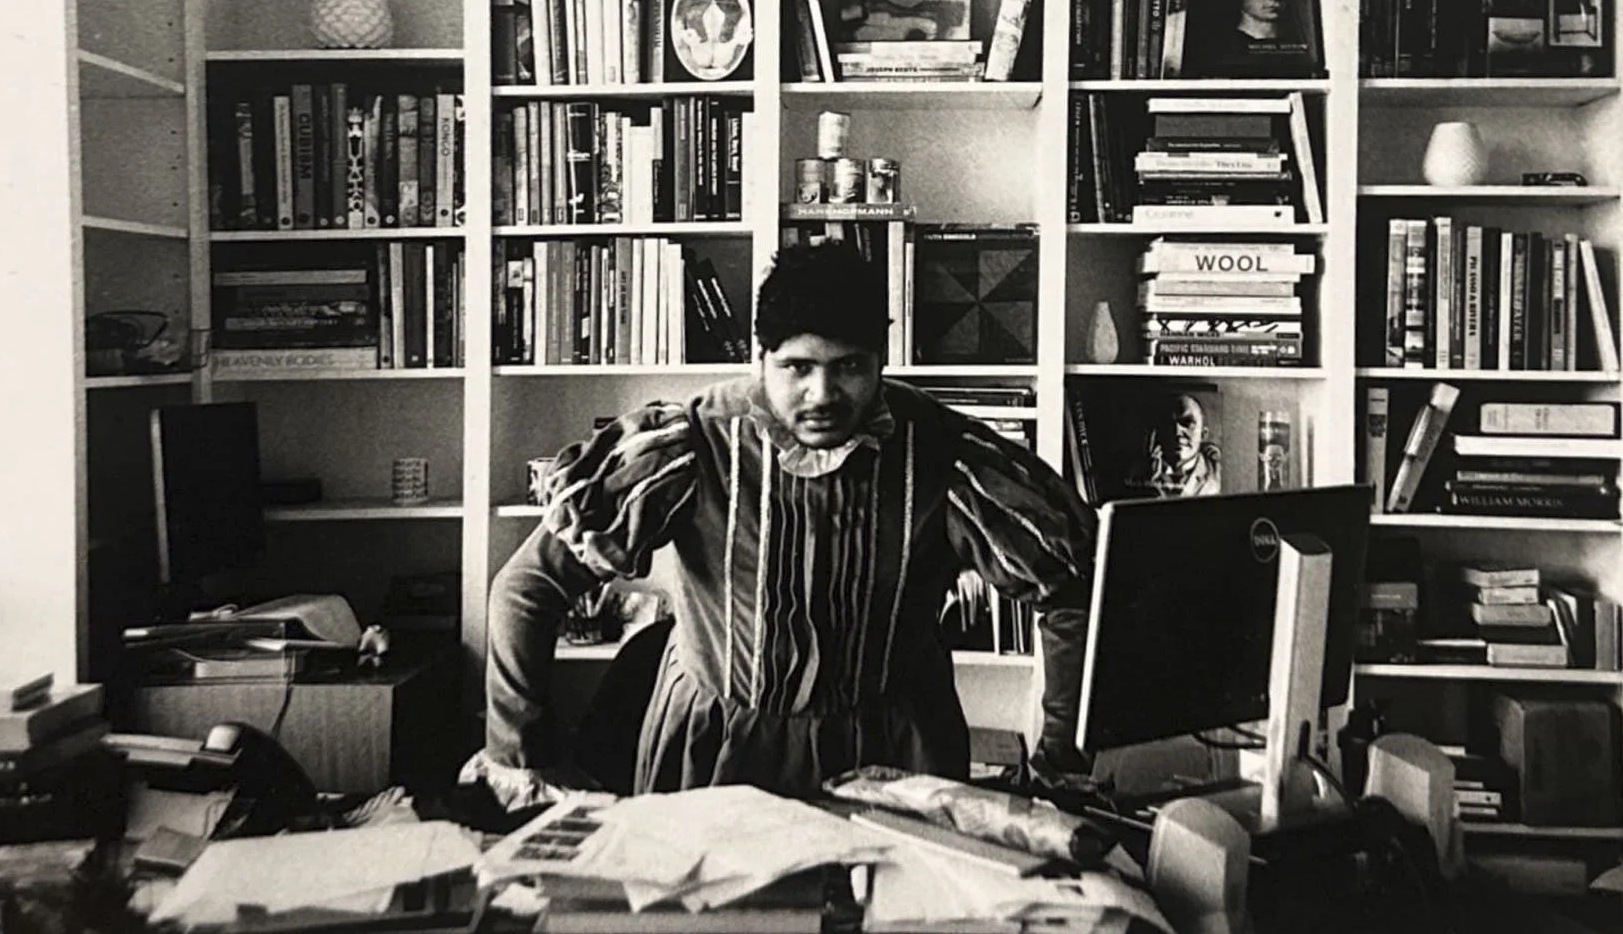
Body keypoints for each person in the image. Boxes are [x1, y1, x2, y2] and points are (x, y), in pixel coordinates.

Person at [471, 241, 1097, 810]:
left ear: (881, 361)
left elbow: (1075, 587)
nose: (822, 393)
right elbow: (527, 589)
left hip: (896, 759)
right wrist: (523, 756)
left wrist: (1059, 758)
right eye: (797, 367)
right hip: (713, 756)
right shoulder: (694, 444)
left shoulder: (941, 451)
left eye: (849, 367)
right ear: (761, 359)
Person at [1143, 391, 1222, 498]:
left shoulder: (1215, 475)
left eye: (1187, 422)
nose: (1177, 432)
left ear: (1203, 434)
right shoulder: (1138, 473)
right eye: (1168, 424)